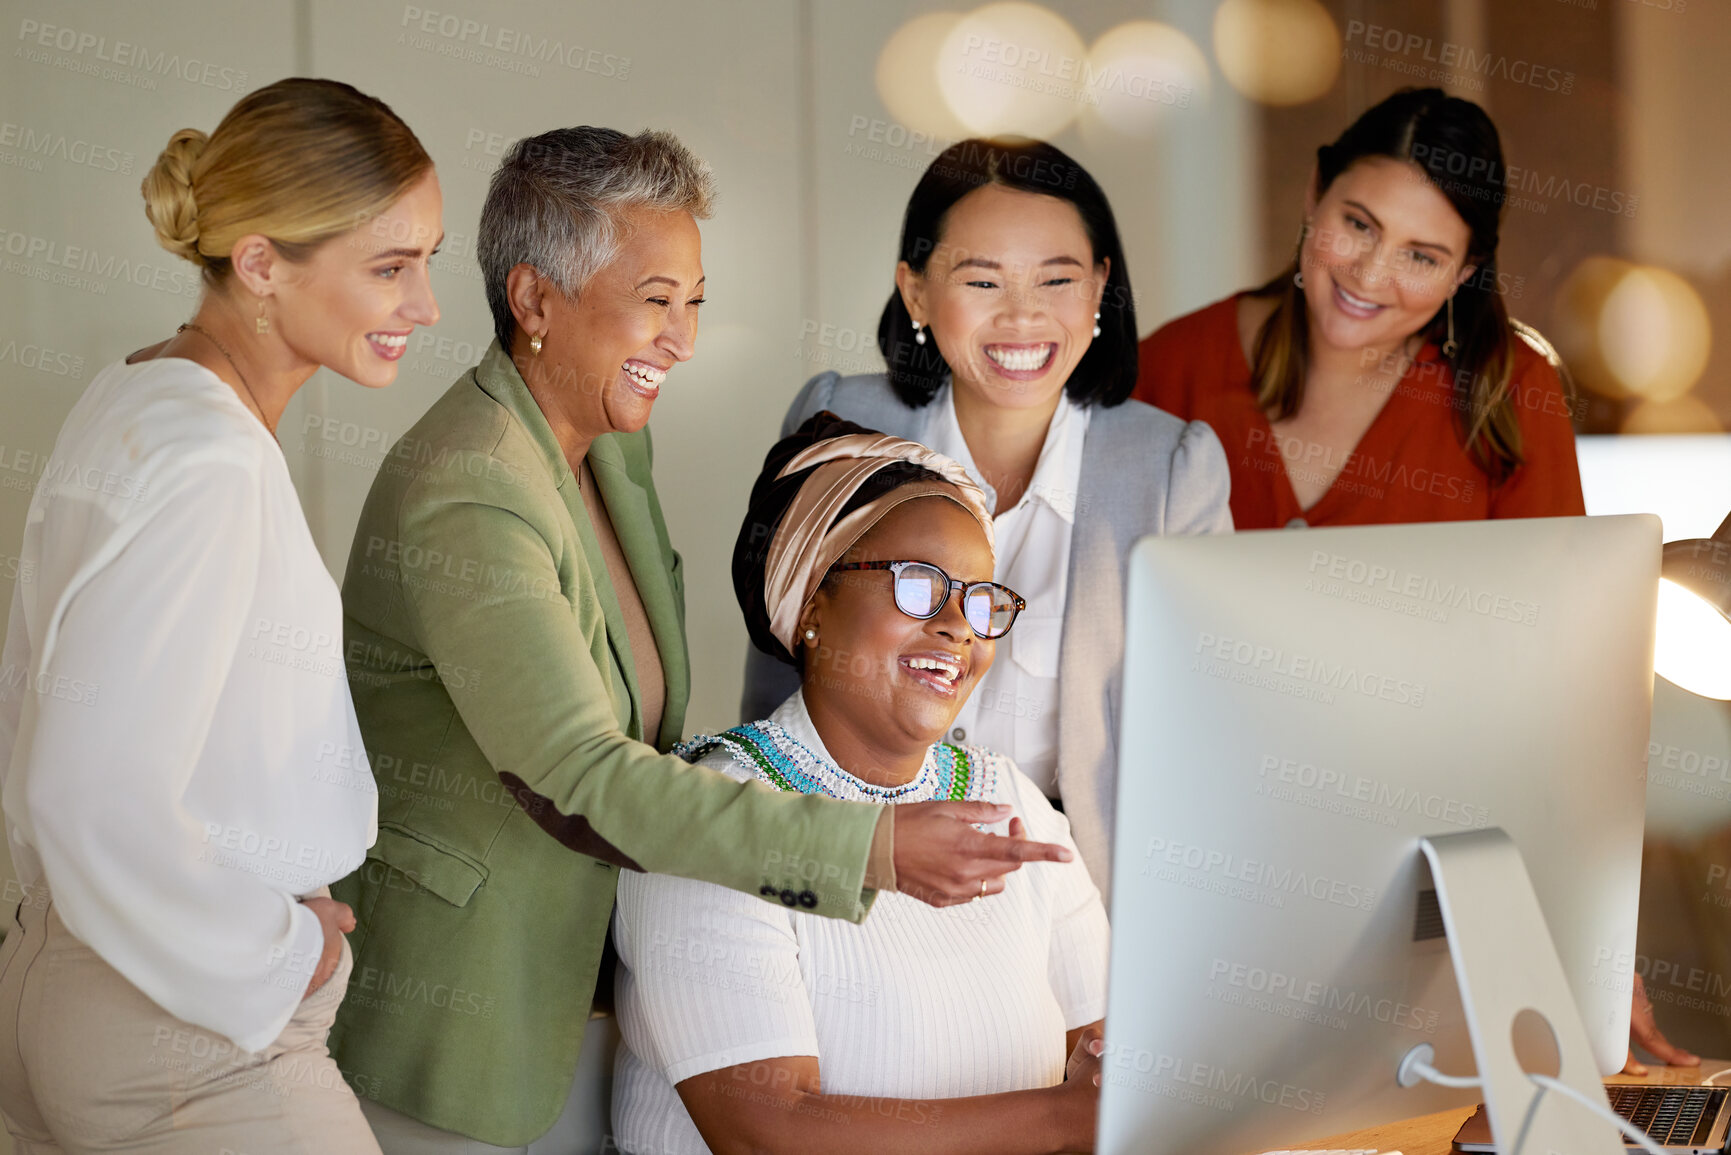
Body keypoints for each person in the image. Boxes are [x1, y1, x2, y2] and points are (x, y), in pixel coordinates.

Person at [328, 127, 1074, 1153]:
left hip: (584, 992)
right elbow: (581, 772)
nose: (680, 339)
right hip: (468, 1001)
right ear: (535, 300)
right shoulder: (473, 484)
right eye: (653, 301)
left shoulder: (609, 444)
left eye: (692, 305)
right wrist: (869, 846)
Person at [0, 78, 442, 1152]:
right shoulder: (206, 458)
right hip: (186, 1034)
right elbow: (88, 789)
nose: (423, 305)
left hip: (99, 983)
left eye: (424, 260)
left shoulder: (139, 396)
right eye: (390, 267)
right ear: (259, 263)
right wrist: (288, 954)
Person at [743, 136, 1232, 895]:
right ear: (914, 291)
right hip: (863, 863)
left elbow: (1202, 744)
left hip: (1073, 887)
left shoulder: (1171, 471)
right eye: (982, 281)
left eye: (1056, 279)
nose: (1022, 316)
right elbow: (776, 680)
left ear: (1100, 287)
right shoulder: (838, 418)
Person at [613, 414, 1108, 1155]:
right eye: (917, 584)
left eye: (980, 599)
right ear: (811, 602)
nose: (958, 627)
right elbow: (766, 1132)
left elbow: (1106, 1061)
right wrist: (1067, 1117)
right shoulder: (708, 815)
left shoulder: (1017, 805)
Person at [1136, 87, 1584, 530]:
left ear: (1465, 272)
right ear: (1316, 192)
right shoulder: (1170, 367)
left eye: (1421, 256)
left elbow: (1559, 597)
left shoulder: (1514, 394)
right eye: (1358, 224)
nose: (1369, 277)